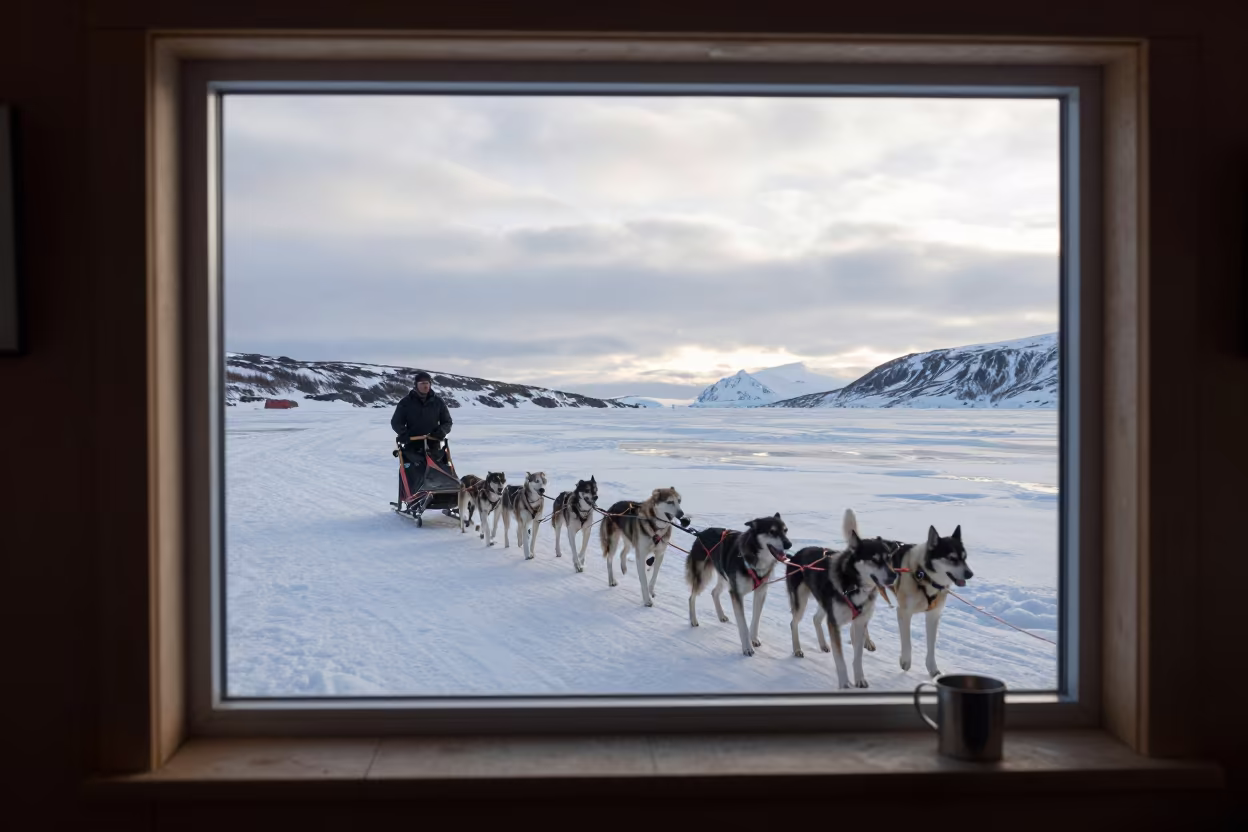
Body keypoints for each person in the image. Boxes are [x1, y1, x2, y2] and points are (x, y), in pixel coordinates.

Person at [391, 371, 454, 502]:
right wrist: (405, 434)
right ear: (416, 385)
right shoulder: (406, 402)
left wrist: (441, 432)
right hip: (412, 445)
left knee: (439, 470)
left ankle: (444, 497)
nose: (426, 386)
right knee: (416, 470)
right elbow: (396, 422)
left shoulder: (438, 402)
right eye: (422, 383)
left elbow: (447, 422)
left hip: (433, 444)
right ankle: (415, 497)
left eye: (428, 383)